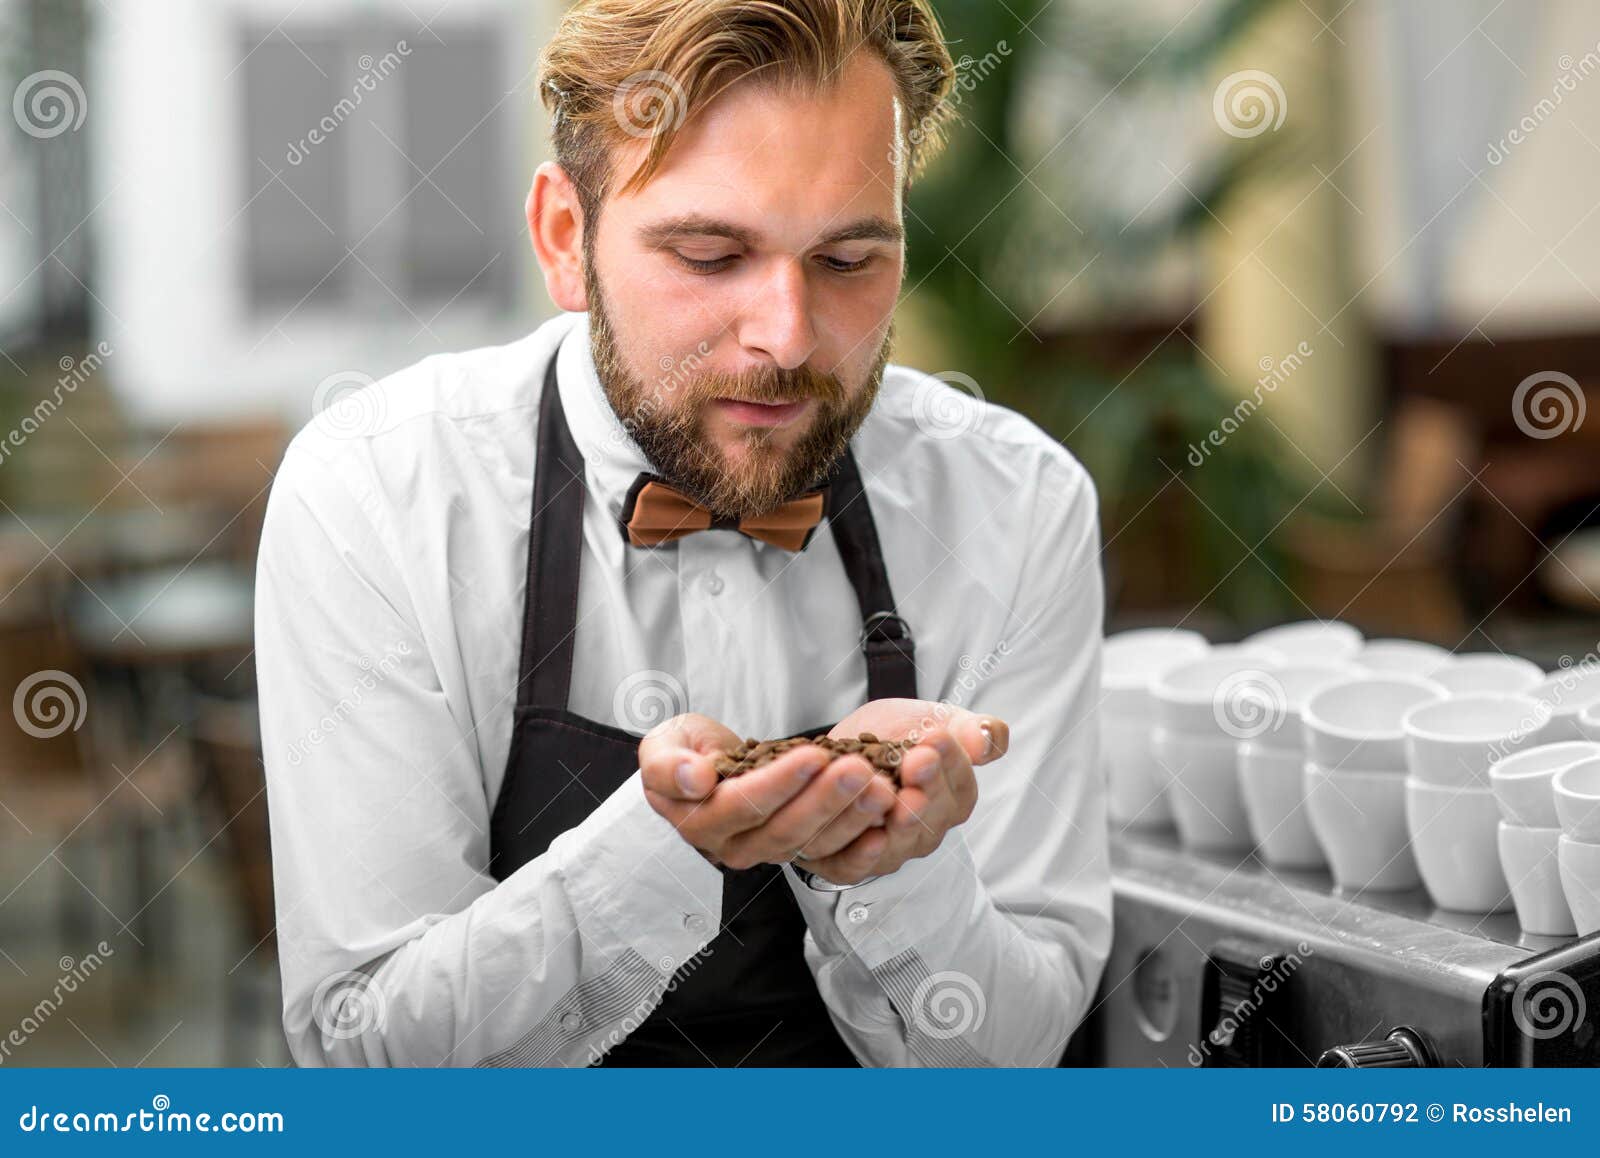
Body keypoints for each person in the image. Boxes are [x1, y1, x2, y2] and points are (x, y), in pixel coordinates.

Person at [256, 0, 1109, 1068]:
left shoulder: (1015, 504)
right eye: (709, 255)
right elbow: (368, 1058)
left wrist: (889, 872)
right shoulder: (376, 493)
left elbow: (1015, 1062)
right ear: (567, 239)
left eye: (848, 261)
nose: (787, 337)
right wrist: (658, 851)